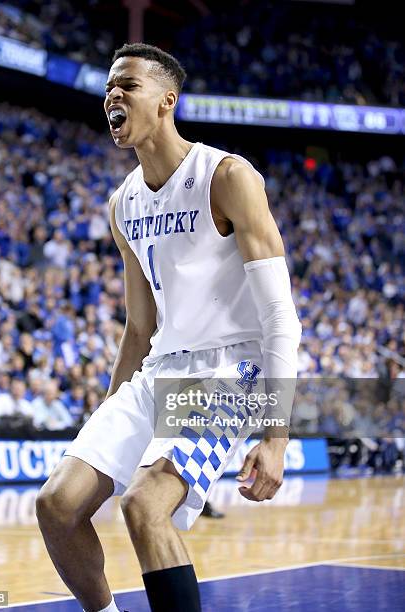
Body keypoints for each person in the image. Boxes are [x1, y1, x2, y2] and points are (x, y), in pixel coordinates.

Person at [36, 43, 301, 612]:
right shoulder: (123, 204)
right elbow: (138, 329)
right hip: (162, 371)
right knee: (57, 505)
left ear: (166, 101)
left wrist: (275, 435)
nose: (113, 94)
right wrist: (106, 417)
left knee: (144, 505)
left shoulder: (226, 176)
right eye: (109, 86)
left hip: (232, 372)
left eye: (128, 85)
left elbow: (281, 314)